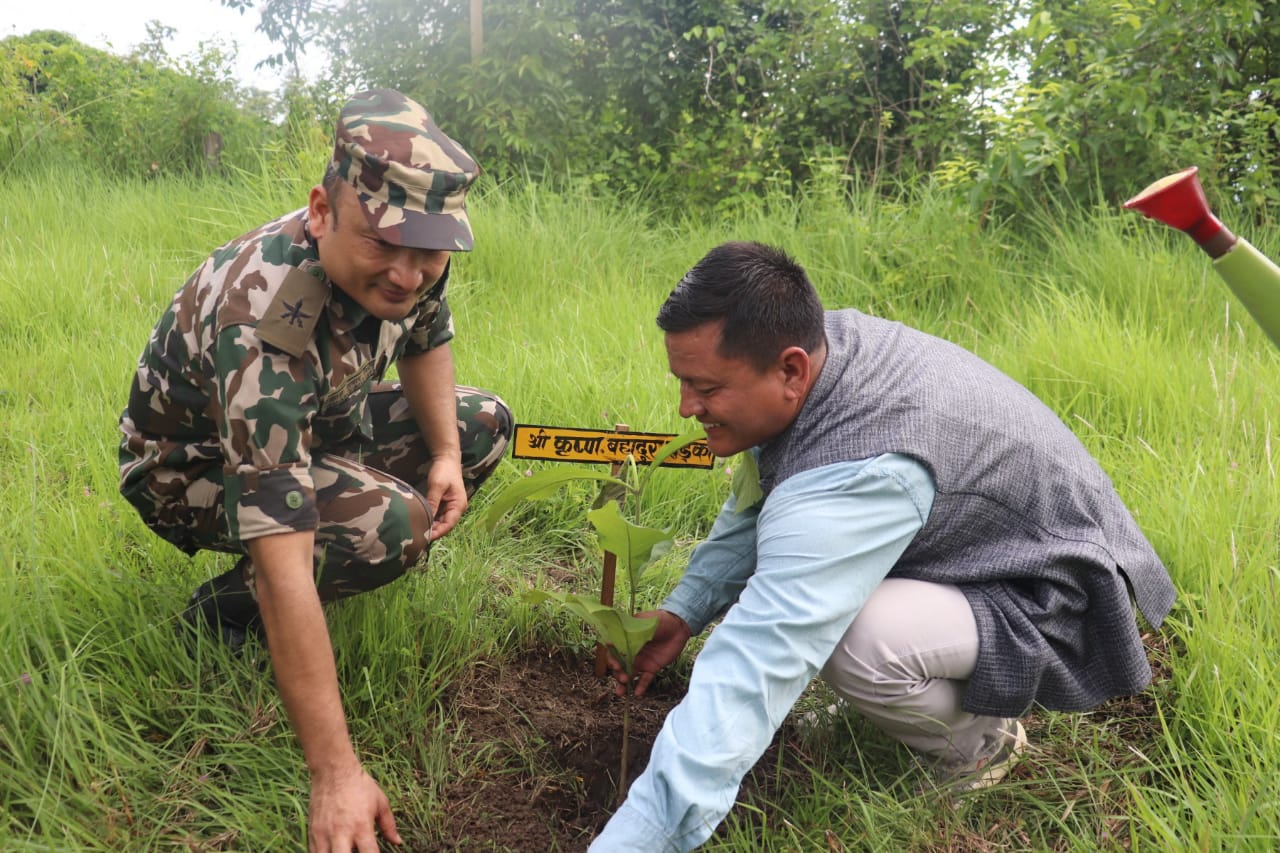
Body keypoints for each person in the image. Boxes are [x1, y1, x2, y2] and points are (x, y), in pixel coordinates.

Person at [591, 241, 1175, 852]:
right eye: (682, 382)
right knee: (834, 612)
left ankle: (982, 744)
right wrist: (688, 609)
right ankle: (915, 704)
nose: (686, 407)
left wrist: (637, 839)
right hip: (980, 550)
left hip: (1055, 591)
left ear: (790, 371)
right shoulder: (821, 351)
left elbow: (754, 665)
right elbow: (759, 497)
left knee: (852, 638)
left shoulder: (861, 469)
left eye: (704, 387)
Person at [118, 88, 513, 852]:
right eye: (383, 245)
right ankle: (225, 614)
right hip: (188, 471)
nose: (406, 274)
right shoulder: (262, 321)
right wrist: (336, 773)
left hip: (322, 423)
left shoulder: (415, 252)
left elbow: (425, 332)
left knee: (482, 426)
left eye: (429, 253)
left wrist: (441, 454)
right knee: (392, 526)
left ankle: (321, 554)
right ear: (322, 211)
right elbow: (285, 555)